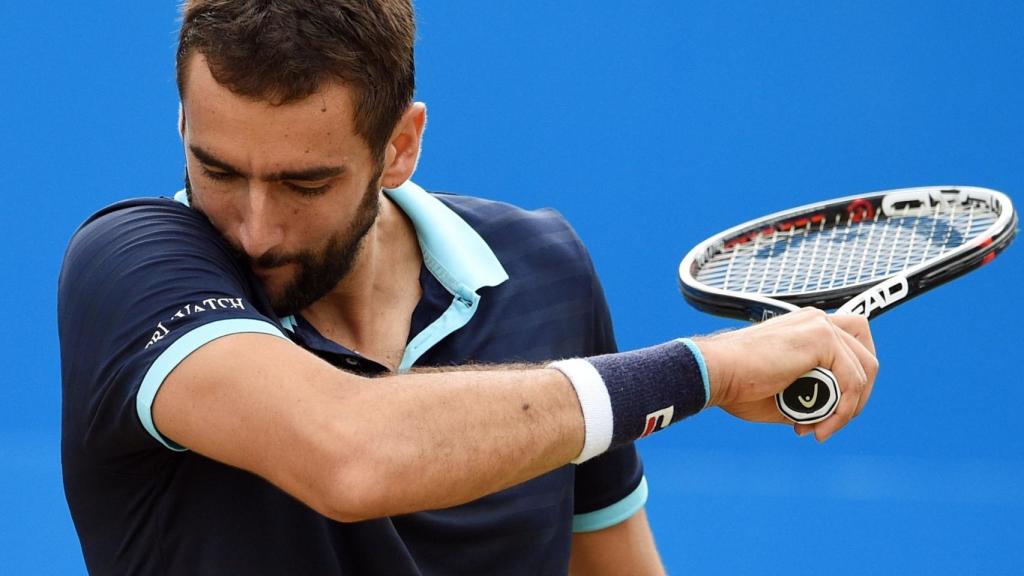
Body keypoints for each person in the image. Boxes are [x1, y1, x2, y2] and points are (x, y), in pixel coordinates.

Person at [57, 1, 878, 574]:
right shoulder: (131, 269)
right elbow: (352, 454)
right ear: (183, 126)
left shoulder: (546, 269)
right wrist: (709, 369)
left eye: (305, 184)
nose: (254, 228)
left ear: (400, 147)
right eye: (217, 169)